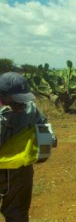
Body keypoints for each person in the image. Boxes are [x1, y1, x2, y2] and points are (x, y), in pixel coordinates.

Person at [0, 72, 48, 222]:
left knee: (18, 214)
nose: (21, 104)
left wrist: (44, 151)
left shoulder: (31, 108)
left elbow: (43, 127)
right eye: (16, 100)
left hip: (20, 173)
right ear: (3, 96)